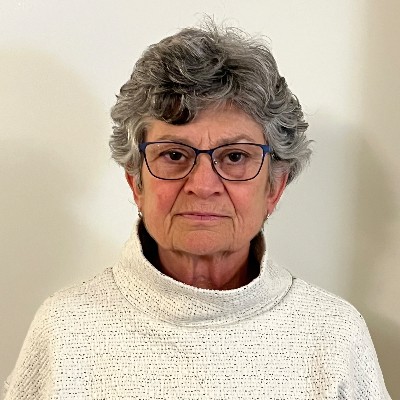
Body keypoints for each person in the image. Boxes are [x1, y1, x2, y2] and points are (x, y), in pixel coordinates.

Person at [4, 21, 391, 399]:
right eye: (174, 154)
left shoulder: (333, 337)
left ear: (274, 187)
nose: (203, 185)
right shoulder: (65, 330)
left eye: (235, 156)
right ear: (136, 182)